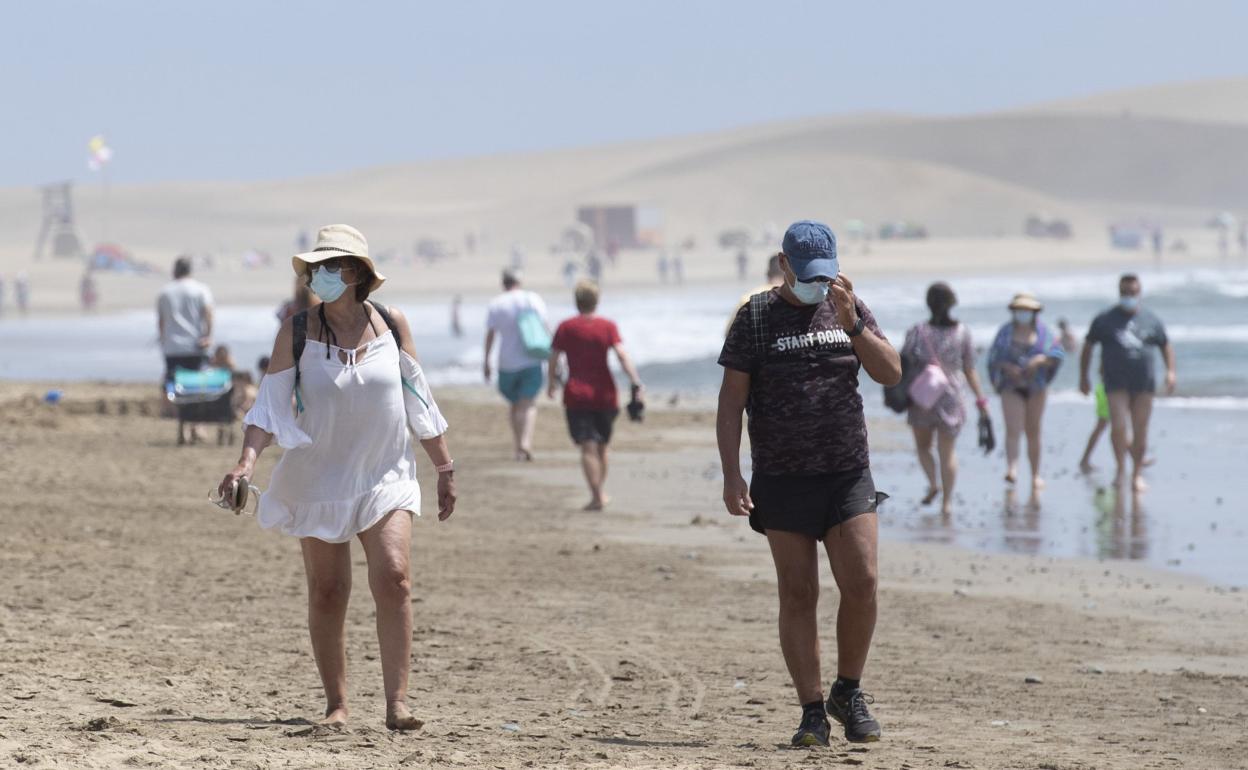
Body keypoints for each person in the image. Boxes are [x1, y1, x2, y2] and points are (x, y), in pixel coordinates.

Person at [217, 224, 456, 731]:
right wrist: (246, 463)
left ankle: (397, 703)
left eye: (331, 266)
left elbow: (419, 400)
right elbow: (268, 408)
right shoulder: (297, 331)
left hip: (384, 471)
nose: (320, 275)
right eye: (315, 268)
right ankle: (337, 705)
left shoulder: (392, 324)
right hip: (318, 474)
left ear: (357, 273)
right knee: (329, 589)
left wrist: (444, 465)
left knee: (394, 577)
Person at [717, 220, 901, 747]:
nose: (816, 284)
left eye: (825, 275)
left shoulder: (848, 304)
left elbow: (891, 373)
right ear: (784, 265)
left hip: (846, 471)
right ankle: (813, 711)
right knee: (799, 593)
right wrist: (732, 474)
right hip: (782, 478)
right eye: (807, 275)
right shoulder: (754, 317)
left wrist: (854, 326)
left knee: (862, 581)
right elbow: (731, 401)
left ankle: (849, 690)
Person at [547, 280, 643, 511]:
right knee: (602, 445)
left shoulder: (566, 327)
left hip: (577, 394)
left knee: (588, 446)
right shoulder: (607, 326)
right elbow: (621, 354)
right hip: (606, 394)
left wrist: (551, 383)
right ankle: (600, 492)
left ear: (576, 301)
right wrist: (635, 380)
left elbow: (553, 357)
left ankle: (597, 494)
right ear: (596, 301)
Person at [901, 283, 990, 517]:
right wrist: (981, 400)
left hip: (922, 396)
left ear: (928, 304)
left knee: (923, 447)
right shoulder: (962, 332)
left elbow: (904, 362)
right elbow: (970, 369)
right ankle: (947, 503)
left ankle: (933, 483)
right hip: (951, 397)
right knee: (947, 452)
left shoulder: (917, 331)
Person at [1080, 274, 1176, 491]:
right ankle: (1120, 469)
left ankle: (1136, 475)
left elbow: (1165, 345)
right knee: (1119, 426)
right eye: (1124, 293)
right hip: (1115, 383)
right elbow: (1088, 346)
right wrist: (1083, 377)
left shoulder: (1151, 319)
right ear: (1119, 293)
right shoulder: (1104, 319)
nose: (1128, 296)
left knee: (1141, 429)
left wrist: (1171, 372)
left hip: (1144, 383)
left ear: (1139, 293)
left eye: (1132, 293)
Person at [986, 293, 1065, 492]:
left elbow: (1057, 354)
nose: (1023, 314)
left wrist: (1040, 360)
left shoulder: (1044, 333)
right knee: (1013, 428)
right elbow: (993, 358)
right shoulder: (1005, 332)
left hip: (1036, 387)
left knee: (1033, 431)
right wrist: (1006, 367)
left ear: (1034, 312)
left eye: (1027, 311)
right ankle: (1012, 468)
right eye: (1020, 310)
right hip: (1011, 386)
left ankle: (1036, 474)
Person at [483, 269, 549, 460]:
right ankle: (525, 443)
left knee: (515, 404)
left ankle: (518, 445)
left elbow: (490, 335)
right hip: (531, 359)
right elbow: (544, 326)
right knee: (527, 404)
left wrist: (487, 361)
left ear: (503, 283)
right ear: (519, 282)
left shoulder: (497, 303)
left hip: (506, 363)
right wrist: (555, 355)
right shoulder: (532, 298)